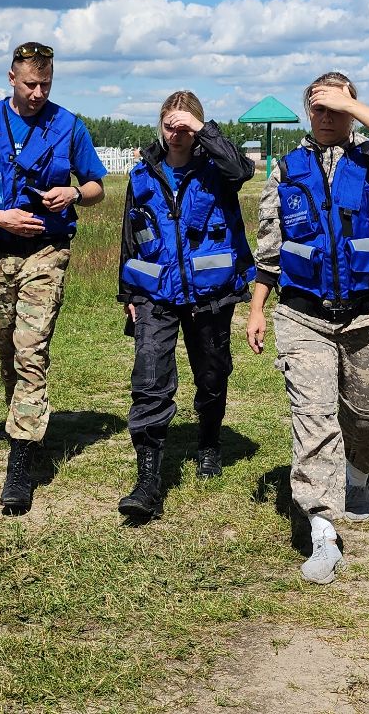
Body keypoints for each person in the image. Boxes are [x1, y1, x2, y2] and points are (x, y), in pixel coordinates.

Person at [246, 72, 369, 584]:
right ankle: (323, 529)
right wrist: (257, 307)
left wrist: (351, 104)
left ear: (352, 110)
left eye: (336, 107)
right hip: (303, 314)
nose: (326, 117)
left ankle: (359, 475)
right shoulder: (286, 169)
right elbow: (272, 247)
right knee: (314, 416)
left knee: (366, 413)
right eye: (317, 108)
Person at [0, 42, 107, 515]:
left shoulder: (68, 126)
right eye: (30, 84)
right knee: (6, 346)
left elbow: (98, 185)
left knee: (30, 349)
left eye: (46, 85)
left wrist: (74, 193)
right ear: (11, 78)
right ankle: (22, 416)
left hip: (45, 250)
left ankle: (21, 461)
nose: (38, 93)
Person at [114, 91, 256, 521]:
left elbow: (243, 168)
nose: (175, 134)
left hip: (211, 294)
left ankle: (209, 442)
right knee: (150, 380)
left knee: (212, 375)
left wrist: (201, 130)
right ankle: (148, 479)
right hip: (156, 294)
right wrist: (127, 294)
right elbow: (130, 235)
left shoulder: (218, 170)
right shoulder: (143, 174)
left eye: (185, 126)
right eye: (169, 125)